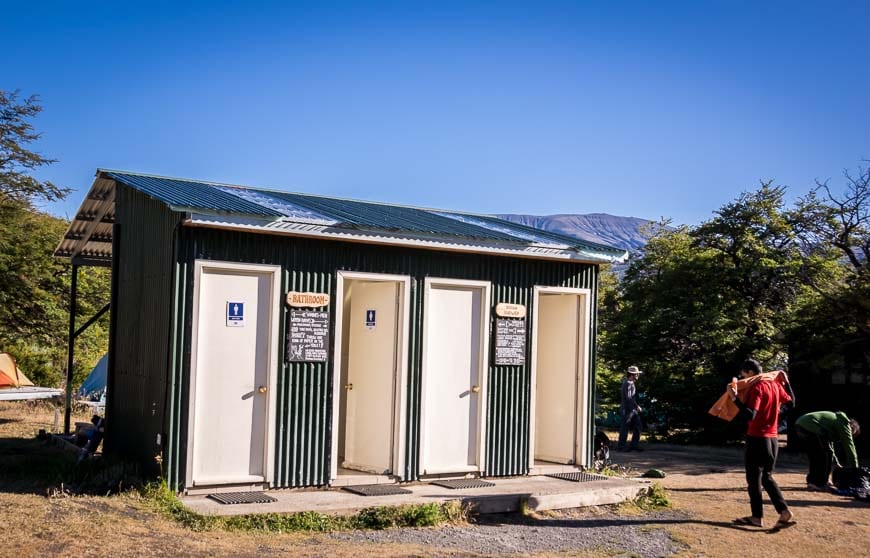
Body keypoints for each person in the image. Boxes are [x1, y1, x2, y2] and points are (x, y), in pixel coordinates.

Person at [730, 359, 795, 529]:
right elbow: (792, 402)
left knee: (754, 479)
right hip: (773, 438)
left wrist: (734, 398)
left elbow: (750, 414)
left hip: (757, 437)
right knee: (767, 477)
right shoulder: (774, 385)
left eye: (743, 374)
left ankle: (756, 517)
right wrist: (786, 382)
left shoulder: (757, 387)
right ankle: (784, 511)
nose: (743, 378)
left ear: (750, 373)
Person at [794, 411, 861, 490]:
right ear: (851, 427)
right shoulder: (844, 424)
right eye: (851, 433)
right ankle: (820, 483)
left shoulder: (832, 423)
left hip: (800, 424)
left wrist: (836, 462)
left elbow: (830, 446)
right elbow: (849, 446)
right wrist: (855, 467)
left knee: (816, 455)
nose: (849, 434)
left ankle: (813, 482)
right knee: (824, 455)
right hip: (811, 426)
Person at [618, 365, 643, 451]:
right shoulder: (627, 383)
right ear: (632, 374)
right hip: (627, 410)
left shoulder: (632, 383)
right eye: (636, 374)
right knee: (625, 428)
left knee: (638, 426)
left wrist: (635, 408)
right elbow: (628, 397)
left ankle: (634, 445)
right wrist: (637, 406)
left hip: (633, 410)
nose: (637, 376)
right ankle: (621, 447)